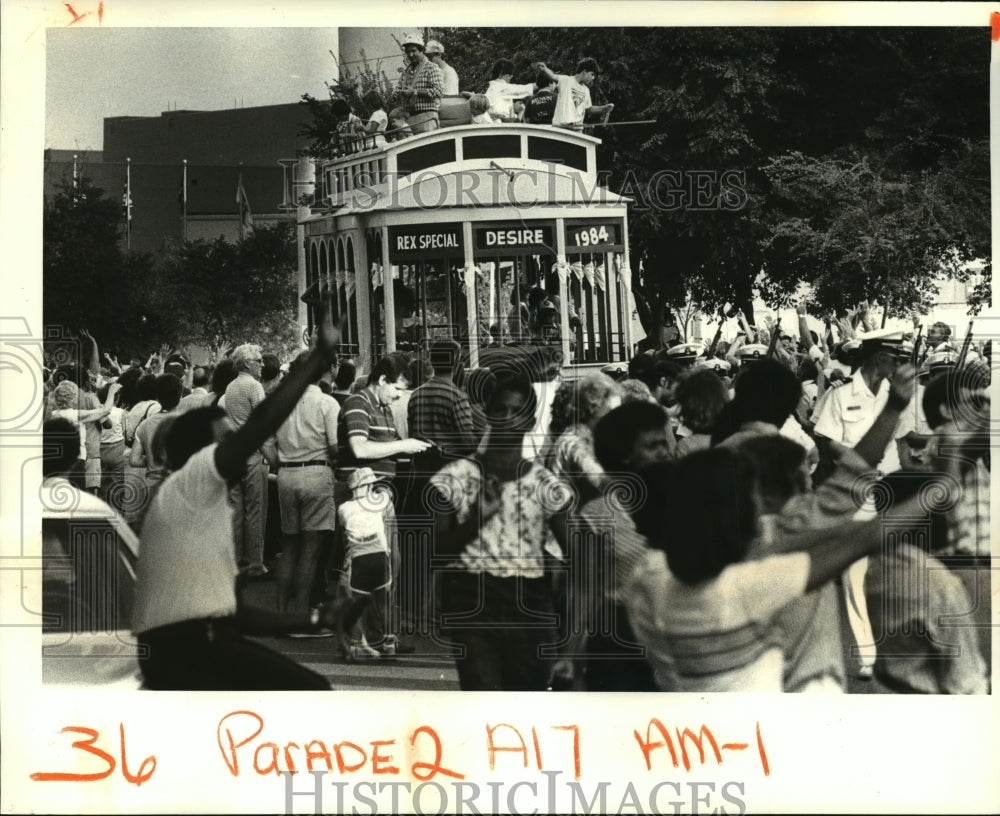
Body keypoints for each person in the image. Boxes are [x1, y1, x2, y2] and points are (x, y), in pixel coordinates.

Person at [131, 309, 346, 690]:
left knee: (310, 689)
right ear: (202, 451)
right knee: (312, 691)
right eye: (226, 440)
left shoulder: (196, 509)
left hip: (196, 643)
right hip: (187, 650)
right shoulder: (191, 480)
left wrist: (316, 621)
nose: (235, 447)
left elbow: (234, 616)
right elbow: (261, 423)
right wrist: (315, 359)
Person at [430, 375, 572, 690]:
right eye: (500, 409)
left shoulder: (546, 485)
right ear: (488, 413)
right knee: (485, 704)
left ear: (530, 421)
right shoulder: (453, 479)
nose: (507, 418)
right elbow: (435, 552)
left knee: (526, 706)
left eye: (516, 411)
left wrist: (572, 630)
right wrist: (476, 519)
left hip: (530, 606)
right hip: (474, 604)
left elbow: (577, 555)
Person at [810, 328, 914, 679]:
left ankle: (896, 646)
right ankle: (868, 653)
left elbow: (902, 444)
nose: (899, 364)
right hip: (855, 491)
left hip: (889, 489)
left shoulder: (895, 394)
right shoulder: (840, 396)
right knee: (856, 573)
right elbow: (825, 442)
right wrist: (860, 462)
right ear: (876, 358)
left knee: (895, 568)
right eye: (894, 358)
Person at [261, 350, 340, 622]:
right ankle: (300, 614)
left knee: (290, 546)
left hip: (286, 475)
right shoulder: (327, 403)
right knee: (311, 549)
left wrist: (279, 463)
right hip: (317, 471)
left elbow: (266, 442)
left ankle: (281, 611)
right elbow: (334, 445)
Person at [333, 467, 399, 660]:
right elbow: (387, 498)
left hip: (359, 558)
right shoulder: (381, 501)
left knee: (358, 604)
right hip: (380, 555)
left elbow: (346, 536)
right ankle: (389, 643)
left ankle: (356, 644)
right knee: (384, 603)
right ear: (369, 486)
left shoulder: (344, 508)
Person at [225, 344, 270, 578]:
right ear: (247, 363)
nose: (262, 365)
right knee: (255, 509)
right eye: (259, 360)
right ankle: (255, 563)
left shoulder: (230, 388)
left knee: (235, 509)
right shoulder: (254, 387)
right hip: (253, 455)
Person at [390, 33, 444, 133]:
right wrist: (396, 93)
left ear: (422, 50)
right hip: (409, 118)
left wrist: (416, 92)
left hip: (427, 117)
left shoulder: (432, 67)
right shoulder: (406, 72)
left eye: (413, 51)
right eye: (408, 52)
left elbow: (439, 91)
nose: (410, 55)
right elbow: (397, 88)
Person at [551, 58, 614, 128]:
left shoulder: (586, 90)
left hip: (577, 129)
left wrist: (604, 108)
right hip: (561, 127)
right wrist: (544, 69)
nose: (593, 78)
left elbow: (588, 109)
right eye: (592, 74)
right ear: (584, 72)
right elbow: (552, 77)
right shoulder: (567, 80)